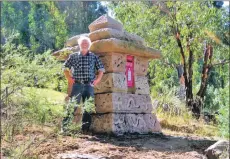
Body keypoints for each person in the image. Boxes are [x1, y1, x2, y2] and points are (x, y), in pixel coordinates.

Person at [62, 36, 105, 133]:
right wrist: (68, 78)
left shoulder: (93, 56)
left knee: (88, 107)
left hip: (89, 85)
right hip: (77, 85)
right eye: (83, 42)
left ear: (89, 45)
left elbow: (101, 69)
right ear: (79, 44)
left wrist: (97, 80)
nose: (84, 44)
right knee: (72, 106)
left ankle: (85, 129)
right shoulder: (73, 56)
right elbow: (64, 67)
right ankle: (64, 128)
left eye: (86, 42)